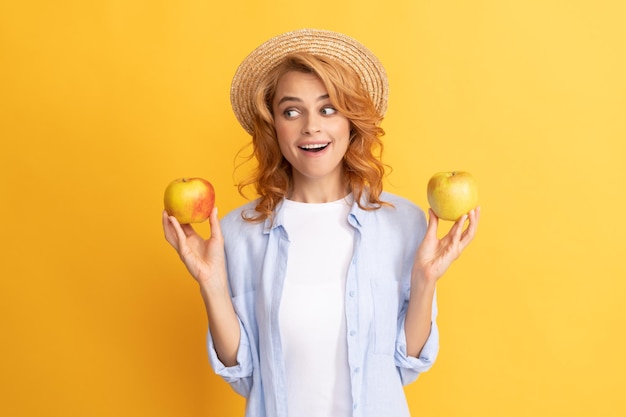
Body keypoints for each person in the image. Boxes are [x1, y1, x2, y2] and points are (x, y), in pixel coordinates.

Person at [162, 28, 480, 417]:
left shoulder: (404, 224)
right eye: (291, 111)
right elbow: (244, 375)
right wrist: (211, 284)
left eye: (328, 108)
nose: (311, 126)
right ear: (273, 127)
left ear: (351, 121)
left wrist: (426, 280)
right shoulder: (236, 234)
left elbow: (407, 364)